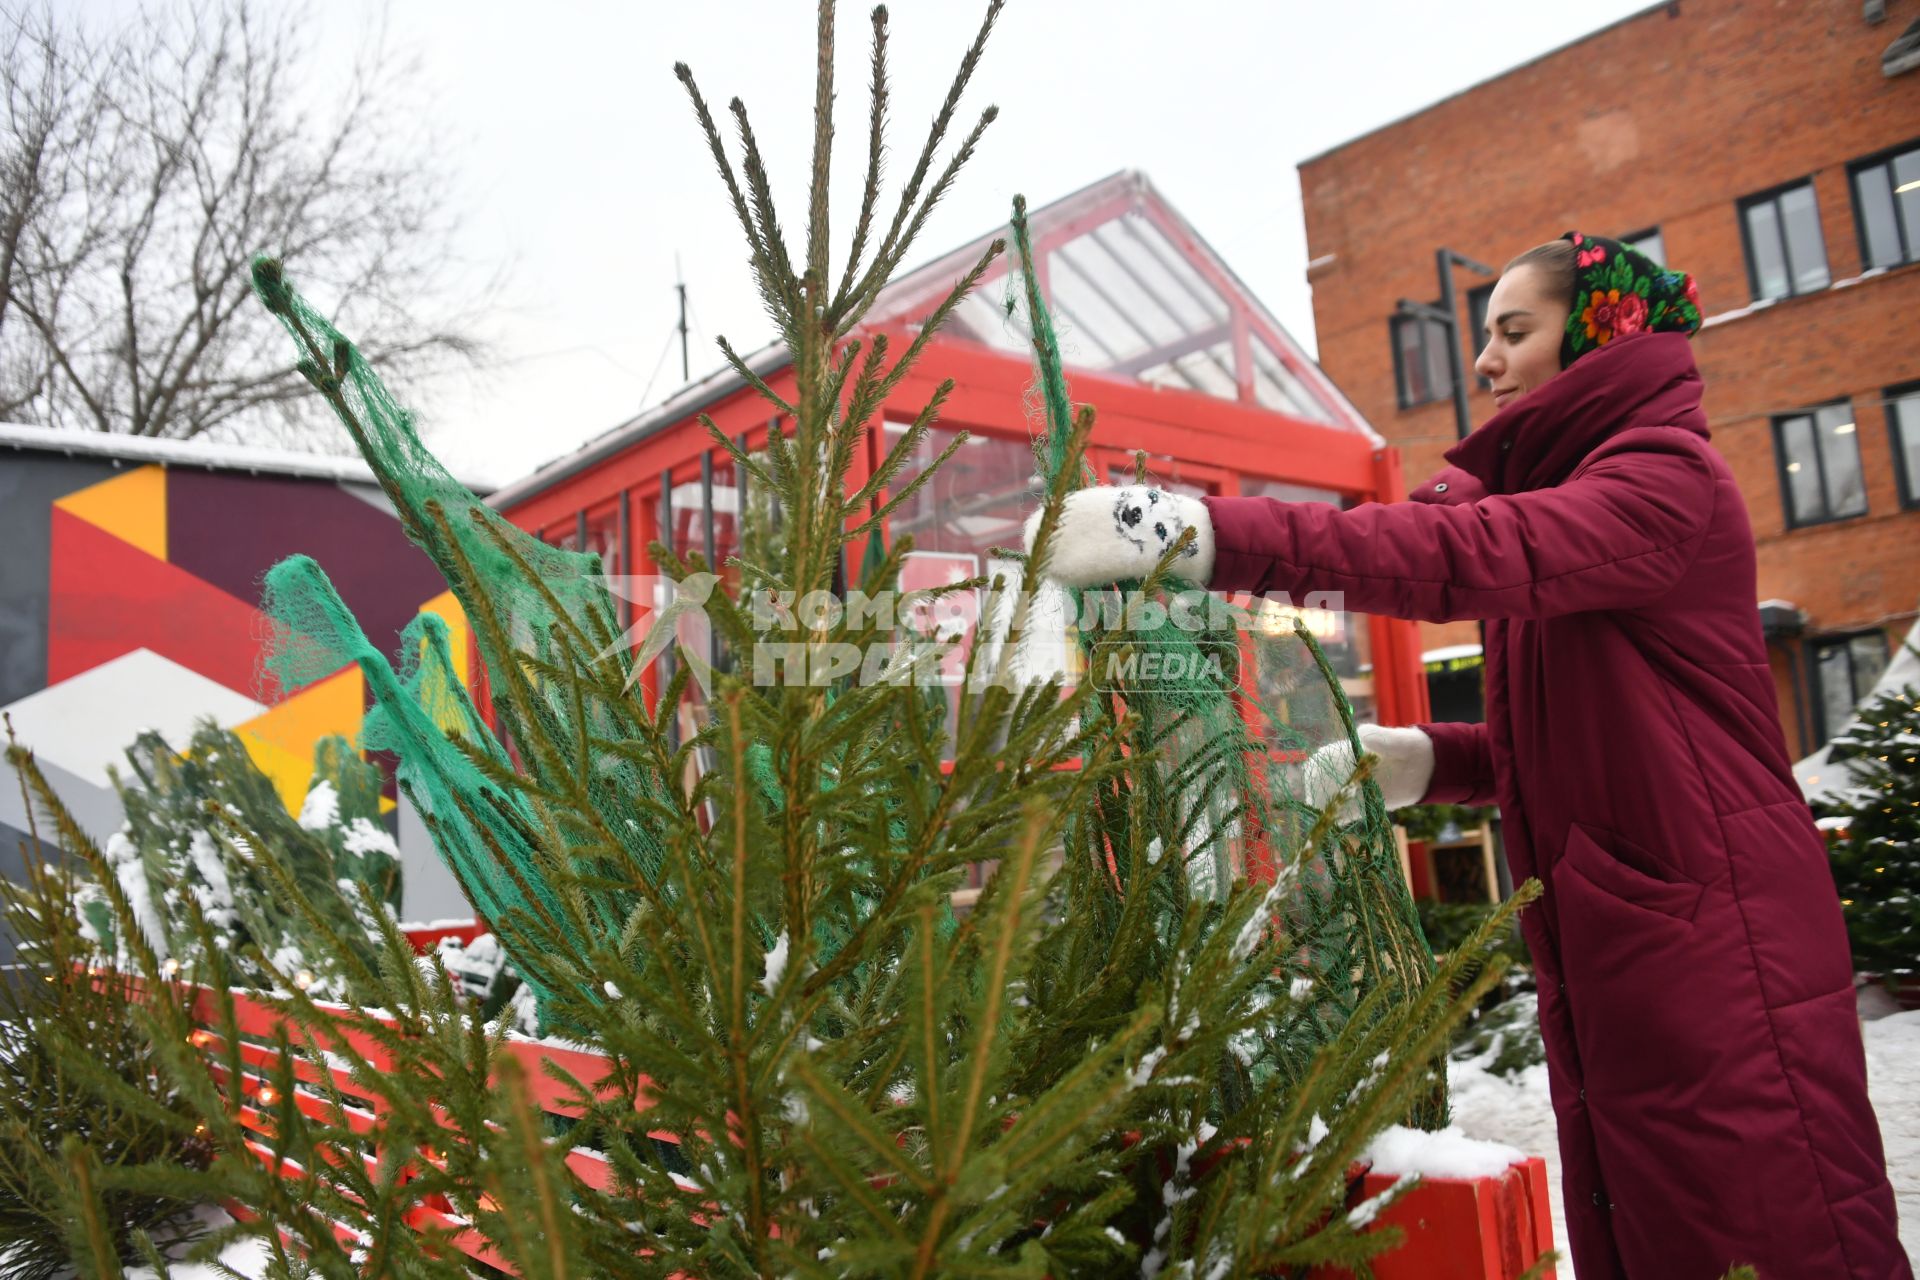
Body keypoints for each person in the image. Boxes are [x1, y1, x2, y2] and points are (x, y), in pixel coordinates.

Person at [1023, 233, 1910, 1279]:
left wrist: (1186, 529)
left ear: (1597, 336)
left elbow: (1458, 554)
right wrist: (1432, 760)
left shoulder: (1664, 481)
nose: (1484, 362)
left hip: (1718, 945)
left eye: (1513, 331)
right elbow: (1594, 735)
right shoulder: (1583, 492)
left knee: (1762, 1223)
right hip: (1646, 938)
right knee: (1659, 1216)